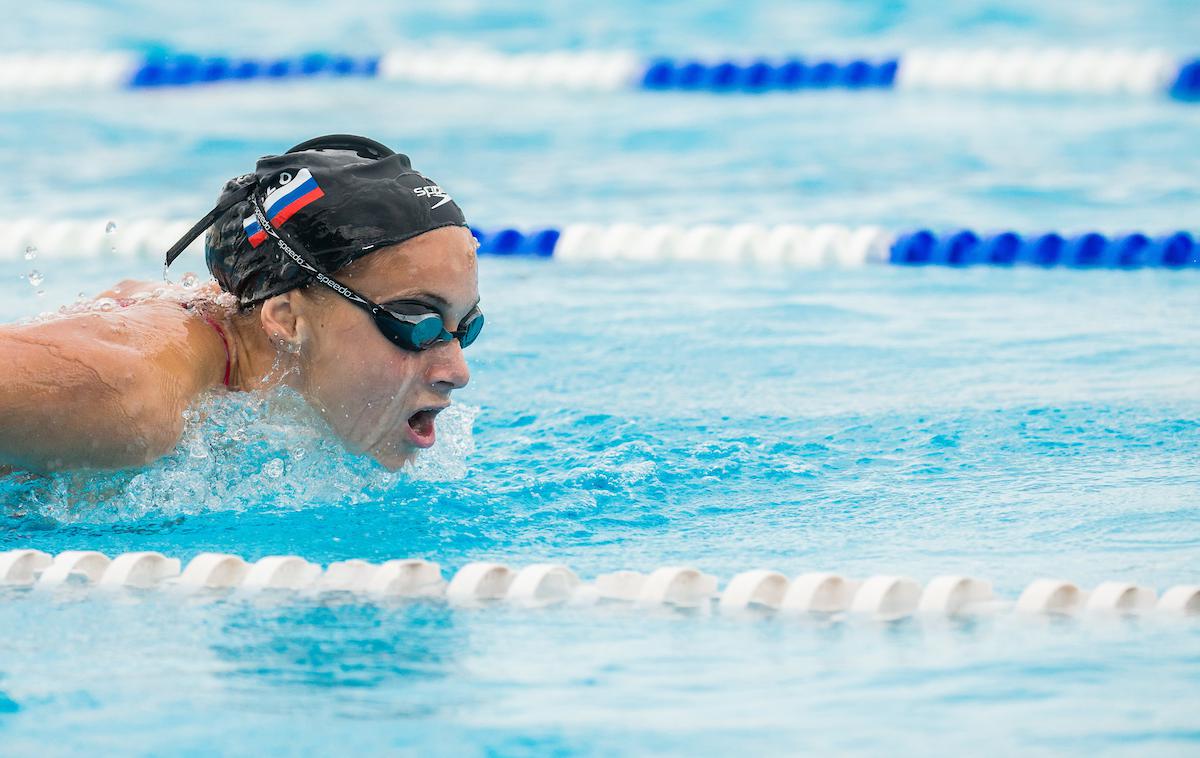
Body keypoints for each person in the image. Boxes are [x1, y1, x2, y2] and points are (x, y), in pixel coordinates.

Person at [0, 134, 483, 473]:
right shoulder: (135, 400)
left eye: (465, 327)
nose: (456, 371)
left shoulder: (235, 333)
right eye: (415, 322)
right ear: (287, 319)